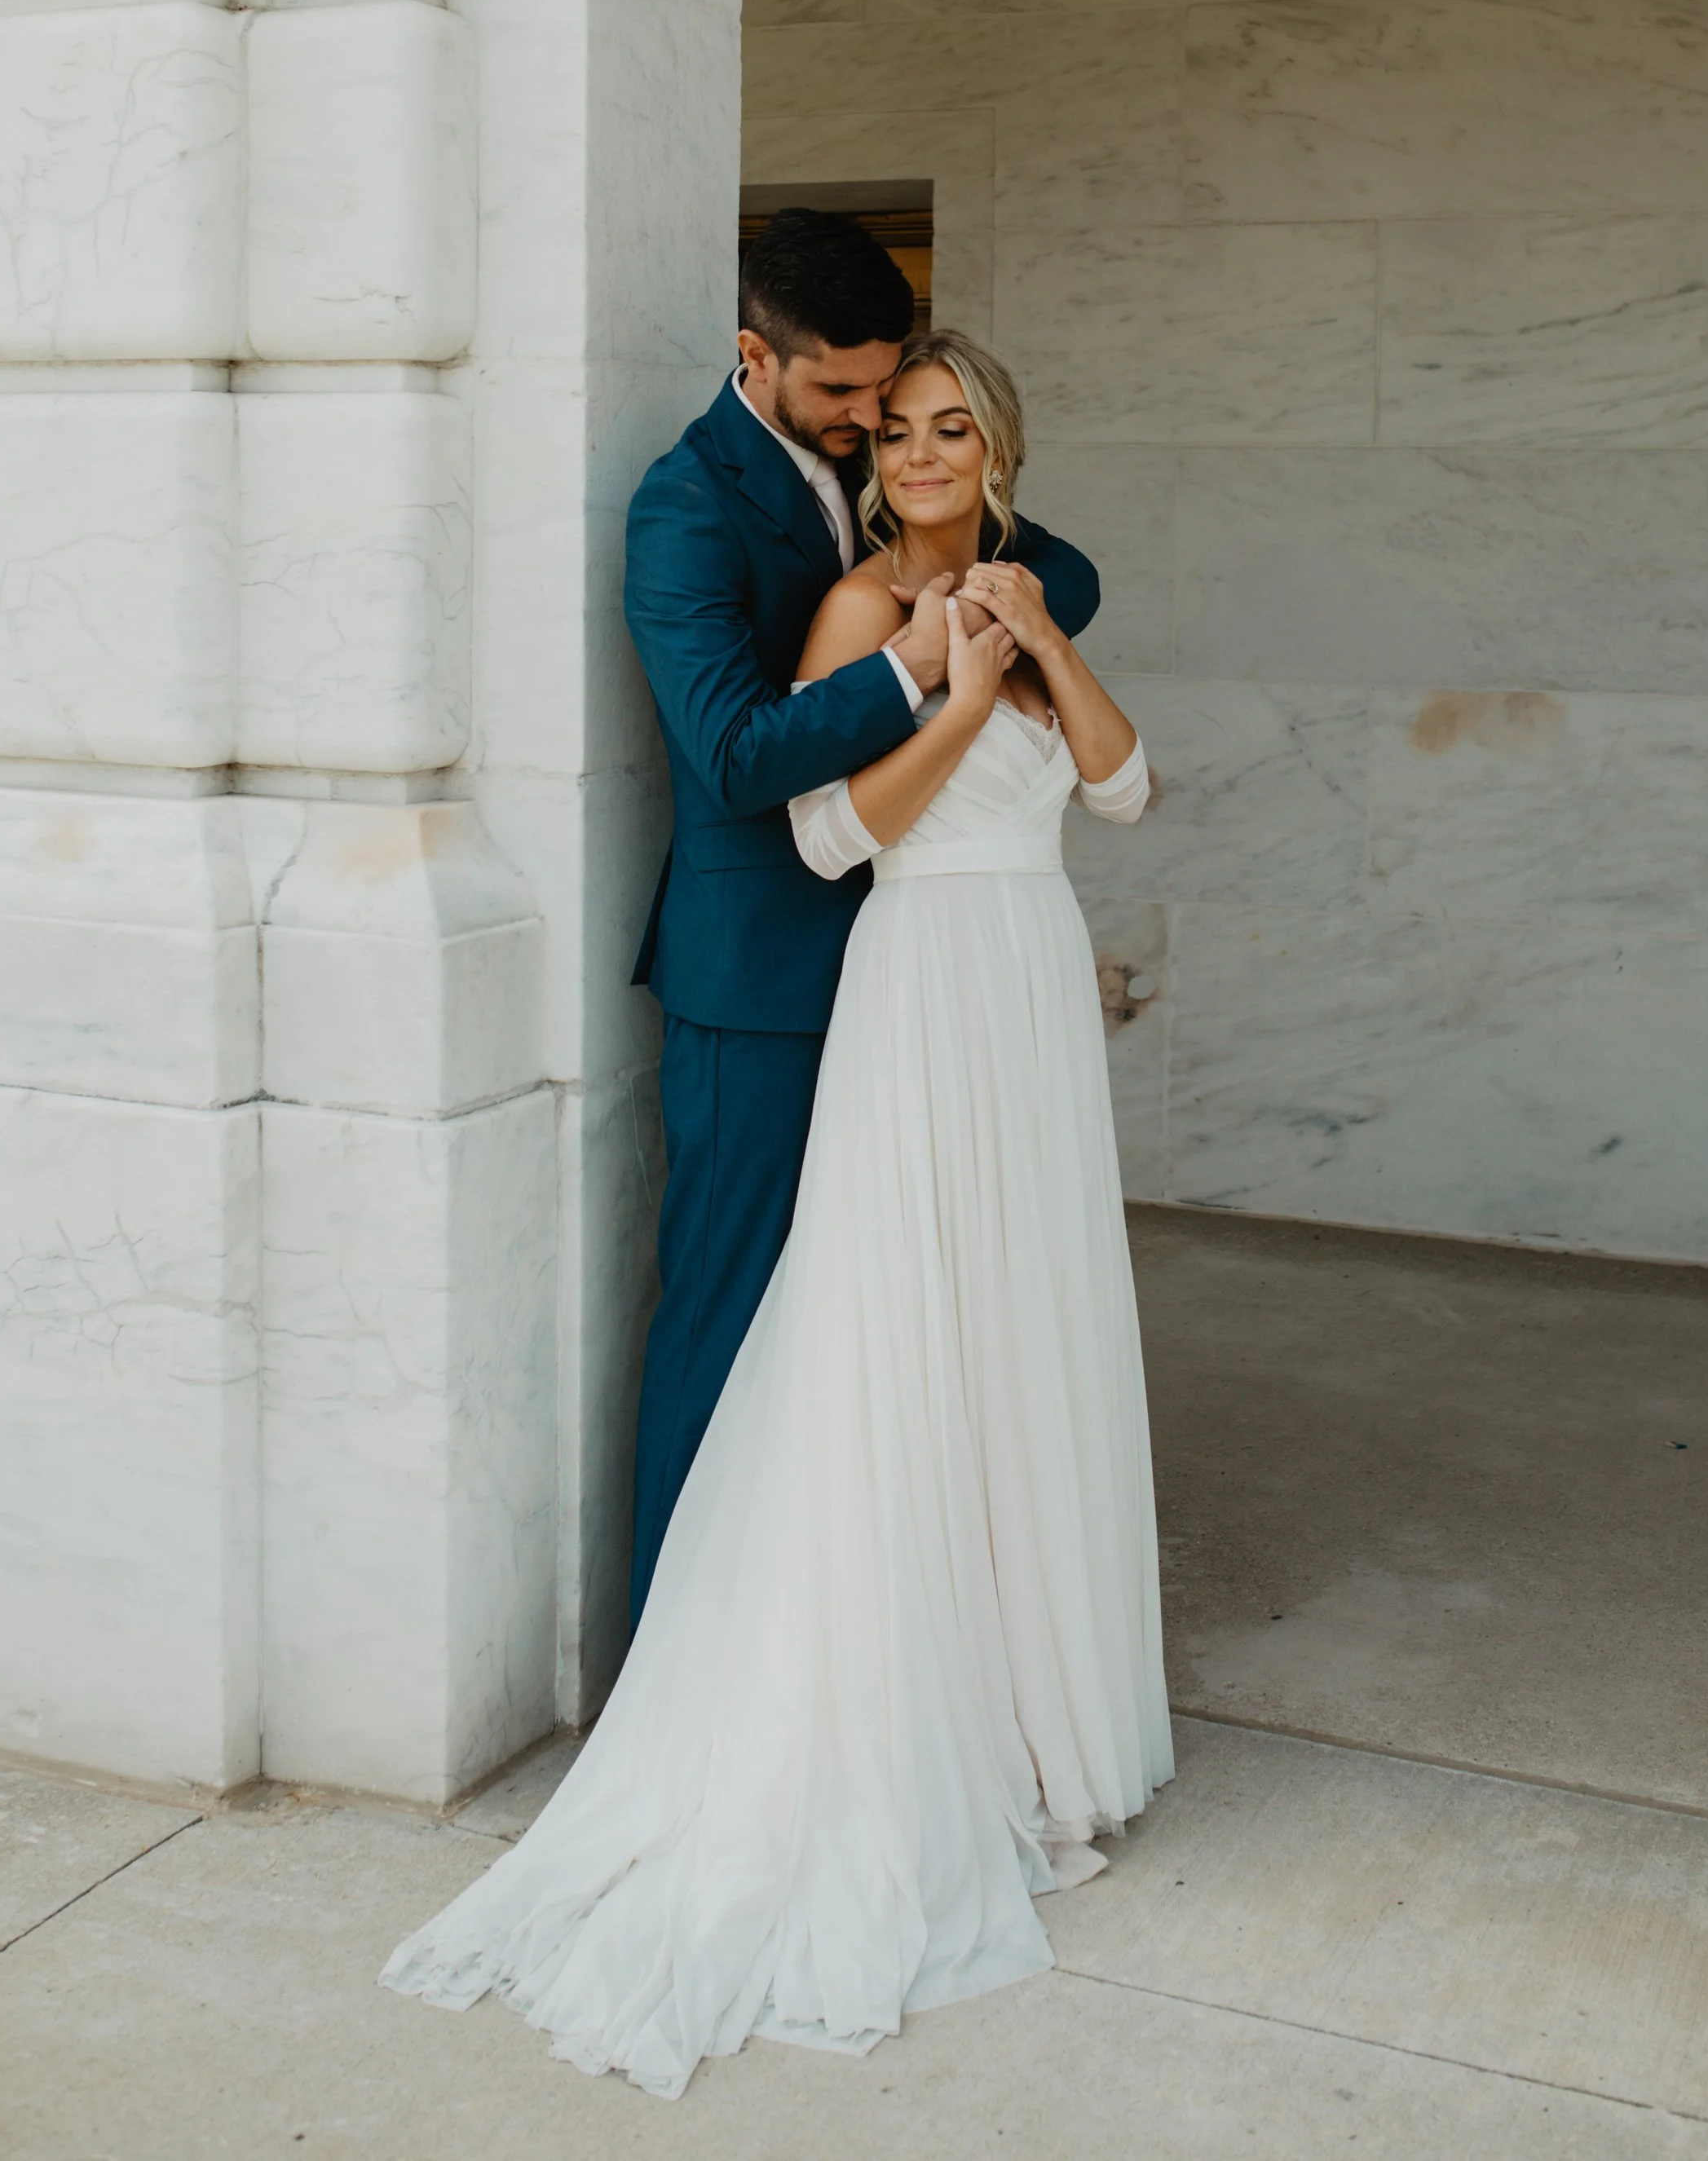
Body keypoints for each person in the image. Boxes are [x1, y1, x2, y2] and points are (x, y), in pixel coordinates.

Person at [382, 328, 1173, 2094]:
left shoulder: (1043, 593)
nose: (911, 452)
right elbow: (829, 837)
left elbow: (1122, 787)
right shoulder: (844, 612)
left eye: (944, 426)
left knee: (1024, 1332)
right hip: (915, 985)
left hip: (1032, 999)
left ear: (997, 444)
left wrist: (1031, 637)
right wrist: (951, 685)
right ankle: (842, 1702)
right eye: (891, 428)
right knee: (889, 1327)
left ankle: (1041, 1712)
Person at [610, 209, 1100, 1621]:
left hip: (915, 977)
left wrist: (969, 581)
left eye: (894, 404)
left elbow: (1064, 568)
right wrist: (915, 656)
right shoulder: (682, 504)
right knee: (735, 1320)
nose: (877, 423)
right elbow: (737, 751)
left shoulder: (884, 471)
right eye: (845, 398)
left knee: (902, 1334)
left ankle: (875, 1632)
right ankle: (678, 1661)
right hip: (758, 980)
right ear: (754, 356)